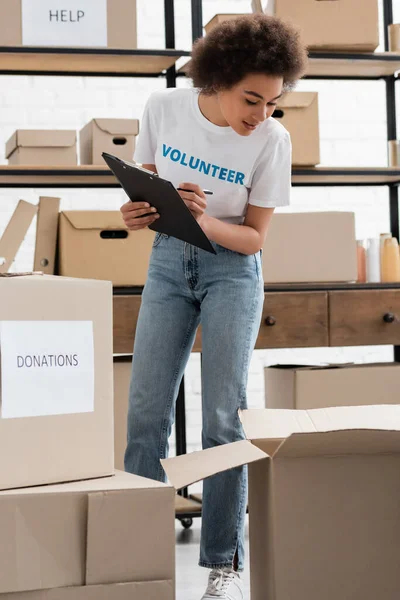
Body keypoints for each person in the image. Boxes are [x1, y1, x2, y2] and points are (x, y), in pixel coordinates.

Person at [121, 13, 307, 600]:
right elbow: (147, 190)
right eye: (252, 99)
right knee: (146, 413)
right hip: (168, 263)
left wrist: (203, 218)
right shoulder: (163, 108)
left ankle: (222, 564)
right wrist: (136, 214)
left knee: (222, 419)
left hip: (232, 272)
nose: (261, 115)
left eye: (273, 103)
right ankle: (135, 555)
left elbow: (253, 238)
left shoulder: (273, 142)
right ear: (218, 78)